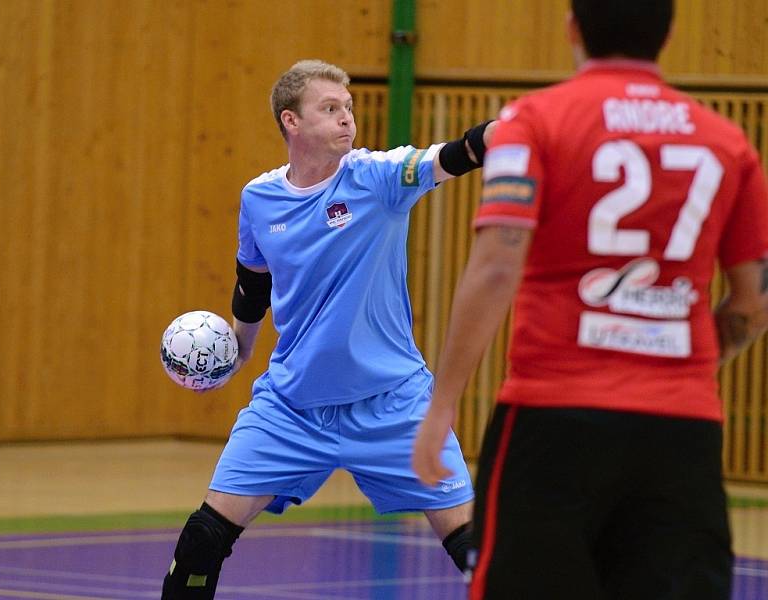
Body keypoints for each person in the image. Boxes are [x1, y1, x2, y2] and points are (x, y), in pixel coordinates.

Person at [413, 1, 768, 599]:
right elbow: (752, 306)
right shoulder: (728, 142)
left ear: (573, 27)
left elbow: (497, 265)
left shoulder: (534, 120)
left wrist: (440, 407)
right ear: (669, 33)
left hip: (553, 419)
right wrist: (680, 366)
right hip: (681, 429)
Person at [161, 59, 497, 599]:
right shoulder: (259, 198)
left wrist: (504, 133)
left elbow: (453, 155)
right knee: (202, 541)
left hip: (393, 404)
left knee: (474, 548)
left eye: (349, 109)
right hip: (293, 405)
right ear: (291, 122)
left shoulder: (378, 177)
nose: (347, 119)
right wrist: (239, 349)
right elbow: (253, 281)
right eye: (331, 109)